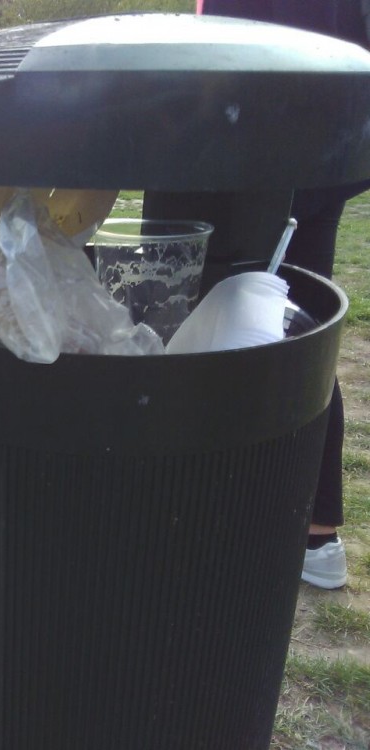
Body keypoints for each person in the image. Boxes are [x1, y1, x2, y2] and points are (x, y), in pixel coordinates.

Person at [200, 0, 370, 589]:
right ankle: (313, 532)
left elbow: (218, 41)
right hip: (330, 138)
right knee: (291, 324)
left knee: (246, 325)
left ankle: (275, 526)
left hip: (262, 141)